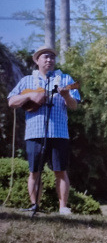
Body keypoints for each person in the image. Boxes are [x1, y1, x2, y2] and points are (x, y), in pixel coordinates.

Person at [7, 46, 80, 215]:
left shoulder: (65, 79)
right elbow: (11, 101)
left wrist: (66, 95)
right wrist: (30, 96)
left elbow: (74, 105)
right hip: (34, 132)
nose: (49, 60)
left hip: (59, 132)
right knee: (34, 171)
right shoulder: (27, 81)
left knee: (60, 171)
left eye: (52, 57)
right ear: (37, 60)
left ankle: (63, 207)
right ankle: (35, 205)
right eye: (45, 57)